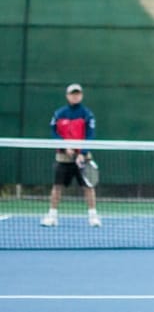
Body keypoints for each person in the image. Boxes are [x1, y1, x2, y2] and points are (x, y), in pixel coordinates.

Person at [41, 83, 100, 227]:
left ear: (81, 95)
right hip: (63, 157)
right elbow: (54, 133)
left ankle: (93, 217)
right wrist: (65, 146)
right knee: (57, 186)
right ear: (67, 96)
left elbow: (90, 135)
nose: (75, 96)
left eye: (78, 93)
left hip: (83, 157)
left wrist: (82, 153)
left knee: (88, 187)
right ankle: (52, 216)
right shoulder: (59, 113)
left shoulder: (87, 114)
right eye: (72, 94)